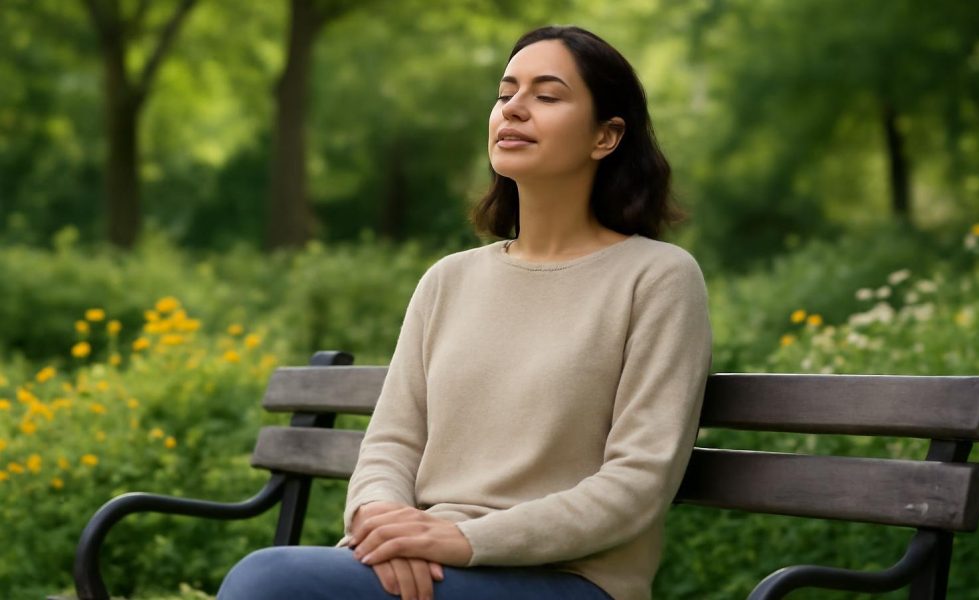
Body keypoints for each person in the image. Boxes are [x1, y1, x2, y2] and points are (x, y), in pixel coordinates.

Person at [217, 24, 712, 600]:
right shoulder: (448, 280)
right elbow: (391, 444)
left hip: (565, 577)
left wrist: (460, 539)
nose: (515, 109)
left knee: (268, 581)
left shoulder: (658, 278)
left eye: (547, 96)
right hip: (430, 559)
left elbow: (636, 484)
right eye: (505, 94)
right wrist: (383, 523)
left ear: (606, 136)